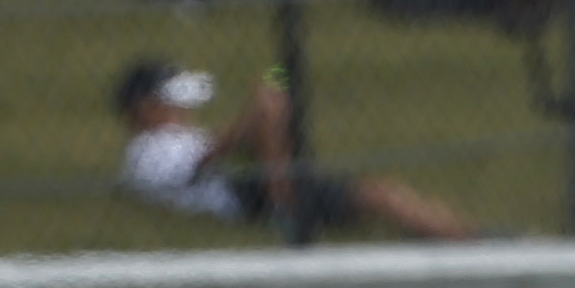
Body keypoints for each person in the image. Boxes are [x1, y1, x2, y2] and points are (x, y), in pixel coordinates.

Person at [113, 58, 478, 240]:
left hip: (252, 187)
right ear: (145, 108)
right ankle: (472, 242)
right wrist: (253, 118)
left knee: (381, 192)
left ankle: (465, 235)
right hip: (246, 200)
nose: (184, 108)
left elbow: (220, 151)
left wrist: (262, 118)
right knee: (381, 195)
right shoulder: (145, 152)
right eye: (173, 101)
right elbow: (201, 164)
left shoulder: (179, 137)